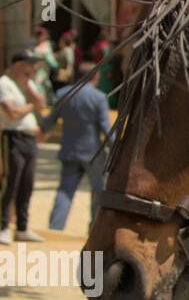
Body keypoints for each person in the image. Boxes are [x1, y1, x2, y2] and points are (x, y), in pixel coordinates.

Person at [39, 59, 111, 232]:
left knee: (65, 191)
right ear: (95, 77)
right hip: (93, 153)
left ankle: (55, 228)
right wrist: (116, 148)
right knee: (99, 191)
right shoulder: (99, 97)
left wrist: (39, 127)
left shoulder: (63, 93)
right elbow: (106, 128)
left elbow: (49, 122)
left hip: (69, 150)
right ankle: (94, 229)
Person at [0, 50, 47, 244]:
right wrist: (30, 105)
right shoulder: (4, 83)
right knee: (10, 183)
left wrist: (29, 89)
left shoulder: (28, 85)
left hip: (29, 139)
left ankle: (22, 227)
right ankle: (3, 227)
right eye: (30, 64)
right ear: (19, 65)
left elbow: (41, 104)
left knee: (27, 184)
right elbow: (12, 113)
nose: (33, 68)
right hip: (12, 137)